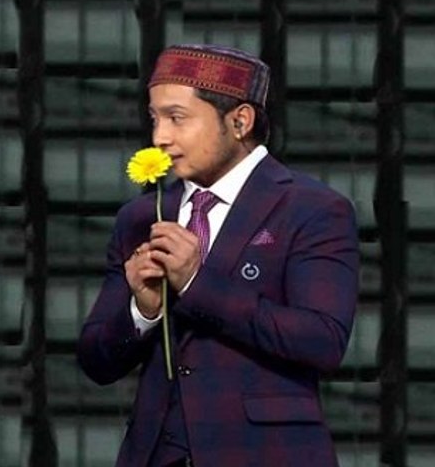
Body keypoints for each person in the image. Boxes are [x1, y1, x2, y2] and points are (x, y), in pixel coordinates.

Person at [77, 44, 359, 466]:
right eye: (154, 118)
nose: (159, 138)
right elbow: (95, 361)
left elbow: (322, 341)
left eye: (177, 118)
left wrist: (196, 284)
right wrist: (143, 312)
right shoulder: (140, 217)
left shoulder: (312, 208)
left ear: (240, 121)